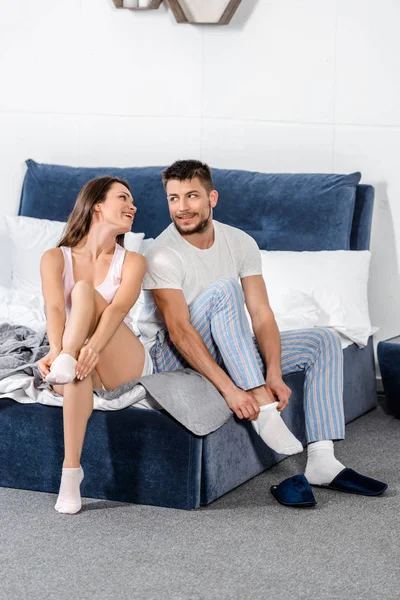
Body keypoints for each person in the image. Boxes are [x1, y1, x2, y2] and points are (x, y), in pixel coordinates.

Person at [137, 159, 384, 500]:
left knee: (324, 340)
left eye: (192, 196)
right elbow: (178, 331)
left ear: (212, 198)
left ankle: (322, 460)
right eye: (173, 198)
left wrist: (274, 371)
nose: (182, 208)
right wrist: (232, 390)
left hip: (226, 346)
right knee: (225, 290)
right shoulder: (161, 254)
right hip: (175, 355)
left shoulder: (239, 242)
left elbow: (261, 313)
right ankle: (262, 405)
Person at [38, 176, 153, 515]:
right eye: (123, 198)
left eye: (132, 201)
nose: (133, 206)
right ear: (97, 204)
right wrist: (56, 350)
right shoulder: (54, 258)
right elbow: (55, 310)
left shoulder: (132, 261)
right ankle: (71, 473)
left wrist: (83, 350)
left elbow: (117, 310)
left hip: (122, 356)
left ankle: (68, 359)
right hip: (79, 362)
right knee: (73, 374)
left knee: (85, 291)